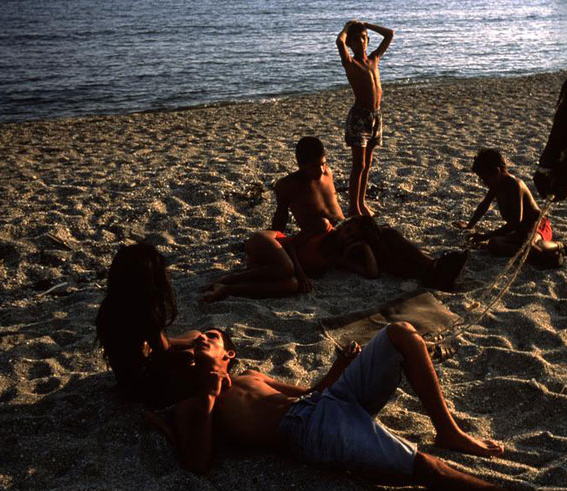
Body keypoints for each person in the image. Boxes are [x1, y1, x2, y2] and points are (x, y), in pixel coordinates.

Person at [147, 322, 567, 491]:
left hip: (324, 402)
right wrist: (207, 394)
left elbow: (308, 392)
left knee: (400, 332)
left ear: (230, 356)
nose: (202, 338)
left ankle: (449, 429)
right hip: (307, 433)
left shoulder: (251, 376)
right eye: (198, 341)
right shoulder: (194, 405)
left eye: (212, 338)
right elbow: (199, 462)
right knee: (423, 470)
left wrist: (340, 367)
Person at [273, 136, 469, 291]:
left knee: (386, 235)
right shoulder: (288, 186)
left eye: (323, 163)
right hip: (327, 236)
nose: (321, 169)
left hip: (347, 225)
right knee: (380, 252)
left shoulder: (327, 173)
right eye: (315, 166)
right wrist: (272, 244)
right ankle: (430, 270)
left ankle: (431, 266)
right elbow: (280, 220)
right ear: (301, 165)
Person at [95, 243, 237, 407]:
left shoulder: (111, 306)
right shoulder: (144, 313)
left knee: (195, 334)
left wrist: (193, 342)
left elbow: (145, 345)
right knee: (196, 359)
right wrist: (193, 352)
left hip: (128, 377)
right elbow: (165, 358)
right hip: (145, 388)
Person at [458, 149, 567, 269]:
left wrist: (485, 235)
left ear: (497, 171)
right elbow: (484, 206)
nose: (484, 183)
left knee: (531, 247)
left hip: (537, 226)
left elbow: (515, 222)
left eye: (485, 179)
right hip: (520, 232)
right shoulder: (496, 184)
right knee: (494, 245)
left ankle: (566, 246)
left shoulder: (514, 185)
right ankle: (538, 255)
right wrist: (470, 226)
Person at [199, 218, 379, 302]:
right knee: (289, 271)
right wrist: (301, 274)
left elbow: (371, 273)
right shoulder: (323, 225)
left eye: (353, 238)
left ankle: (228, 289)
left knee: (292, 285)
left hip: (270, 266)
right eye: (348, 231)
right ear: (344, 225)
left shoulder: (336, 257)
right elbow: (291, 245)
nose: (346, 237)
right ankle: (229, 278)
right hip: (269, 241)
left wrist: (365, 247)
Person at [337, 20, 394, 217]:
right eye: (357, 39)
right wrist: (347, 27)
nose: (362, 42)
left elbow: (389, 34)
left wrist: (367, 26)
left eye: (364, 38)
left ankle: (362, 204)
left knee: (368, 164)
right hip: (359, 117)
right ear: (351, 43)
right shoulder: (350, 63)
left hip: (376, 116)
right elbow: (339, 42)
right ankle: (353, 207)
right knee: (359, 164)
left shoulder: (374, 59)